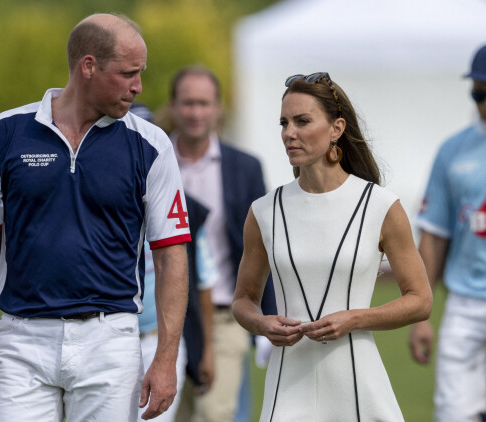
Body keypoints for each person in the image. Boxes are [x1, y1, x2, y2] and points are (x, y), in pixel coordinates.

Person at [0, 14, 190, 422]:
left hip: (110, 340)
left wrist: (167, 357)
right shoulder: (6, 132)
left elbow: (172, 255)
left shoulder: (152, 145)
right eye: (128, 73)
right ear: (88, 66)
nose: (138, 86)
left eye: (140, 73)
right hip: (21, 340)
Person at [232, 72, 432, 421]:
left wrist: (354, 318)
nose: (289, 133)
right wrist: (263, 324)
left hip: (358, 385)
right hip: (286, 386)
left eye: (302, 121)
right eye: (284, 122)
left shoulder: (380, 206)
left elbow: (421, 300)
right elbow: (243, 301)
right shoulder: (263, 212)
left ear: (336, 128)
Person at [164, 66, 276, 422]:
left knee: (213, 414)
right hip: (163, 320)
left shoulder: (244, 168)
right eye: (187, 103)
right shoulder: (152, 160)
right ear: (173, 107)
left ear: (218, 108)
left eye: (203, 103)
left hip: (225, 315)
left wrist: (267, 317)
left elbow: (261, 248)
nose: (195, 112)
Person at [409, 44, 486, 422]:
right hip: (465, 306)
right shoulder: (453, 151)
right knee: (454, 415)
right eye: (477, 92)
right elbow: (434, 236)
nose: (480, 100)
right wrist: (422, 315)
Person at [129, 102, 218, 422]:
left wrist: (205, 348)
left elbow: (205, 280)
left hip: (158, 341)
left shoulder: (184, 206)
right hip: (109, 336)